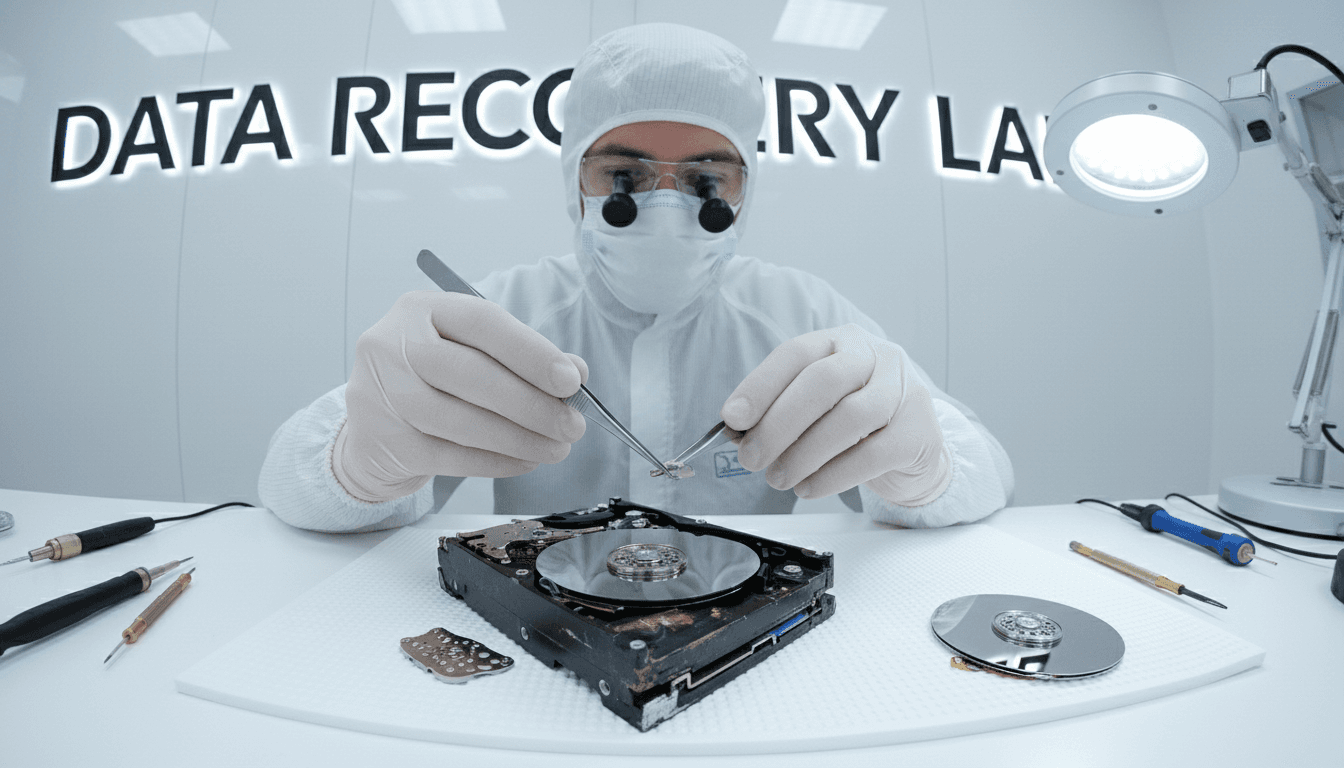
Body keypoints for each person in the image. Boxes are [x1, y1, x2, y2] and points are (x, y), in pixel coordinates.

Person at [259, 23, 1013, 532]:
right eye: (623, 174)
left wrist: (922, 469)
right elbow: (289, 484)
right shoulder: (504, 311)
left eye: (705, 180)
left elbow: (986, 473)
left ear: (746, 189)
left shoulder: (803, 310)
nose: (662, 204)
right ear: (572, 181)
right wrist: (359, 462)